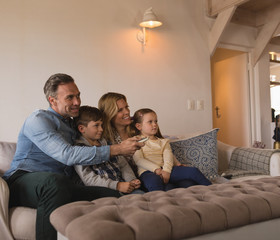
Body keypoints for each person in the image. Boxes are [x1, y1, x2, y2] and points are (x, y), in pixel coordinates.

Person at [2, 73, 144, 240]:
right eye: (70, 97)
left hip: (63, 185)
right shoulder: (39, 119)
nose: (77, 102)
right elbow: (67, 155)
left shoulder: (73, 124)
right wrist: (117, 149)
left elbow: (97, 130)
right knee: (53, 182)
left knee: (112, 195)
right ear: (52, 100)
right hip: (24, 181)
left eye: (78, 96)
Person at [129, 108, 212, 192]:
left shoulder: (164, 142)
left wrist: (168, 170)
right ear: (138, 126)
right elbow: (139, 160)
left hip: (166, 170)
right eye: (150, 122)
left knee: (192, 174)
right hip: (147, 172)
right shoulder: (136, 141)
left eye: (156, 121)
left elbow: (168, 156)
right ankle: (161, 201)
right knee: (155, 182)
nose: (154, 124)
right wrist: (157, 169)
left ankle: (212, 190)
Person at [74, 105, 142, 194]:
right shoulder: (79, 150)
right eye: (96, 125)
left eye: (101, 125)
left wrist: (131, 180)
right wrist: (117, 185)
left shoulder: (106, 142)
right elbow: (88, 178)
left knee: (141, 195)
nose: (101, 129)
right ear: (82, 128)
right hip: (105, 191)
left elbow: (123, 164)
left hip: (125, 186)